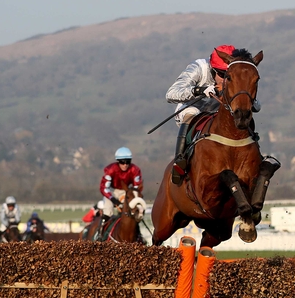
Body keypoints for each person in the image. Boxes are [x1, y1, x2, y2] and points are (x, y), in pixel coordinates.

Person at [165, 45, 261, 185]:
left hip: (217, 113)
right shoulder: (199, 68)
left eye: (227, 75)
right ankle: (180, 161)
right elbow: (171, 94)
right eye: (221, 75)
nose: (224, 80)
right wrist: (199, 90)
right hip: (191, 107)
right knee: (191, 115)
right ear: (212, 68)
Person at [100, 147, 143, 219]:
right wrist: (112, 199)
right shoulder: (110, 169)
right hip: (111, 191)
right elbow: (104, 188)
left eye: (128, 162)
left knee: (130, 210)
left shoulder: (135, 170)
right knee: (108, 211)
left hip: (125, 191)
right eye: (122, 162)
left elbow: (136, 188)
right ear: (118, 161)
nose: (125, 165)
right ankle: (101, 228)